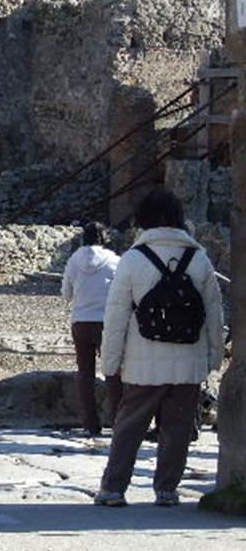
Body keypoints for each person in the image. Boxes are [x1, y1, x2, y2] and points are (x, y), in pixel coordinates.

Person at [94, 188, 224, 507]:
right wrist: (213, 357)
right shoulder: (200, 259)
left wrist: (110, 364)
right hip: (188, 361)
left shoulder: (133, 260)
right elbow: (214, 313)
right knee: (178, 429)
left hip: (143, 362)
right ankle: (167, 488)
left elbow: (116, 319)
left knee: (129, 426)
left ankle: (114, 487)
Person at [61, 221, 122, 436]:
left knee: (85, 374)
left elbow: (66, 294)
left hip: (81, 321)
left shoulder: (73, 261)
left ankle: (90, 422)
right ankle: (118, 421)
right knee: (113, 372)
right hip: (107, 321)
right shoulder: (114, 261)